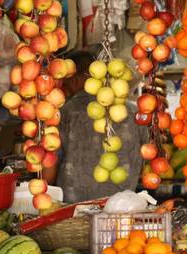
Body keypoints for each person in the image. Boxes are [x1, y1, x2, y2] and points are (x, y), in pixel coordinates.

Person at [42, 50, 146, 203]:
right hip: (122, 204)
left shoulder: (65, 113)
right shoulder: (133, 111)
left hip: (75, 207)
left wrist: (42, 191)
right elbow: (146, 160)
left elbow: (50, 166)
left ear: (75, 79)